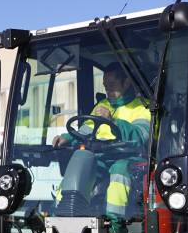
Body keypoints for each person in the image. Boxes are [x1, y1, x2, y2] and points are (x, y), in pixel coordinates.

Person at [55, 62, 152, 219]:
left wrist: (113, 121)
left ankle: (115, 224)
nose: (108, 90)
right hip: (102, 156)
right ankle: (60, 216)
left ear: (126, 83)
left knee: (119, 171)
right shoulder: (102, 105)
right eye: (106, 86)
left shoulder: (142, 107)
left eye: (112, 85)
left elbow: (140, 136)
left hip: (128, 157)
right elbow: (86, 130)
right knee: (79, 167)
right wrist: (67, 138)